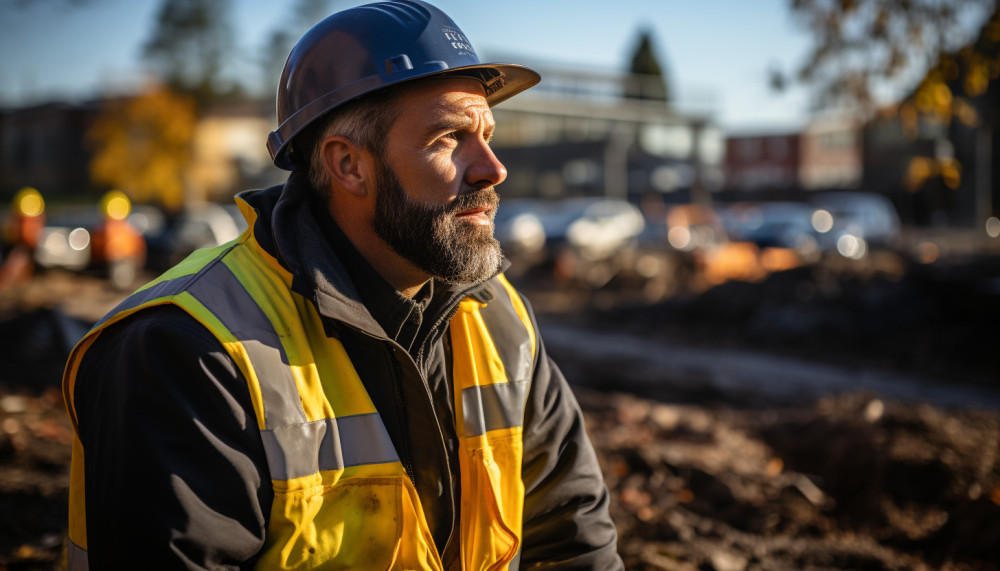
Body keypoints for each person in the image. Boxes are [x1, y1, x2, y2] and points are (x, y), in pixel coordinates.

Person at [62, 1, 623, 569]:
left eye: (487, 135)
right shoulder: (188, 348)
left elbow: (574, 543)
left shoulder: (500, 319)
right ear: (349, 165)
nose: (492, 168)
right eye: (449, 137)